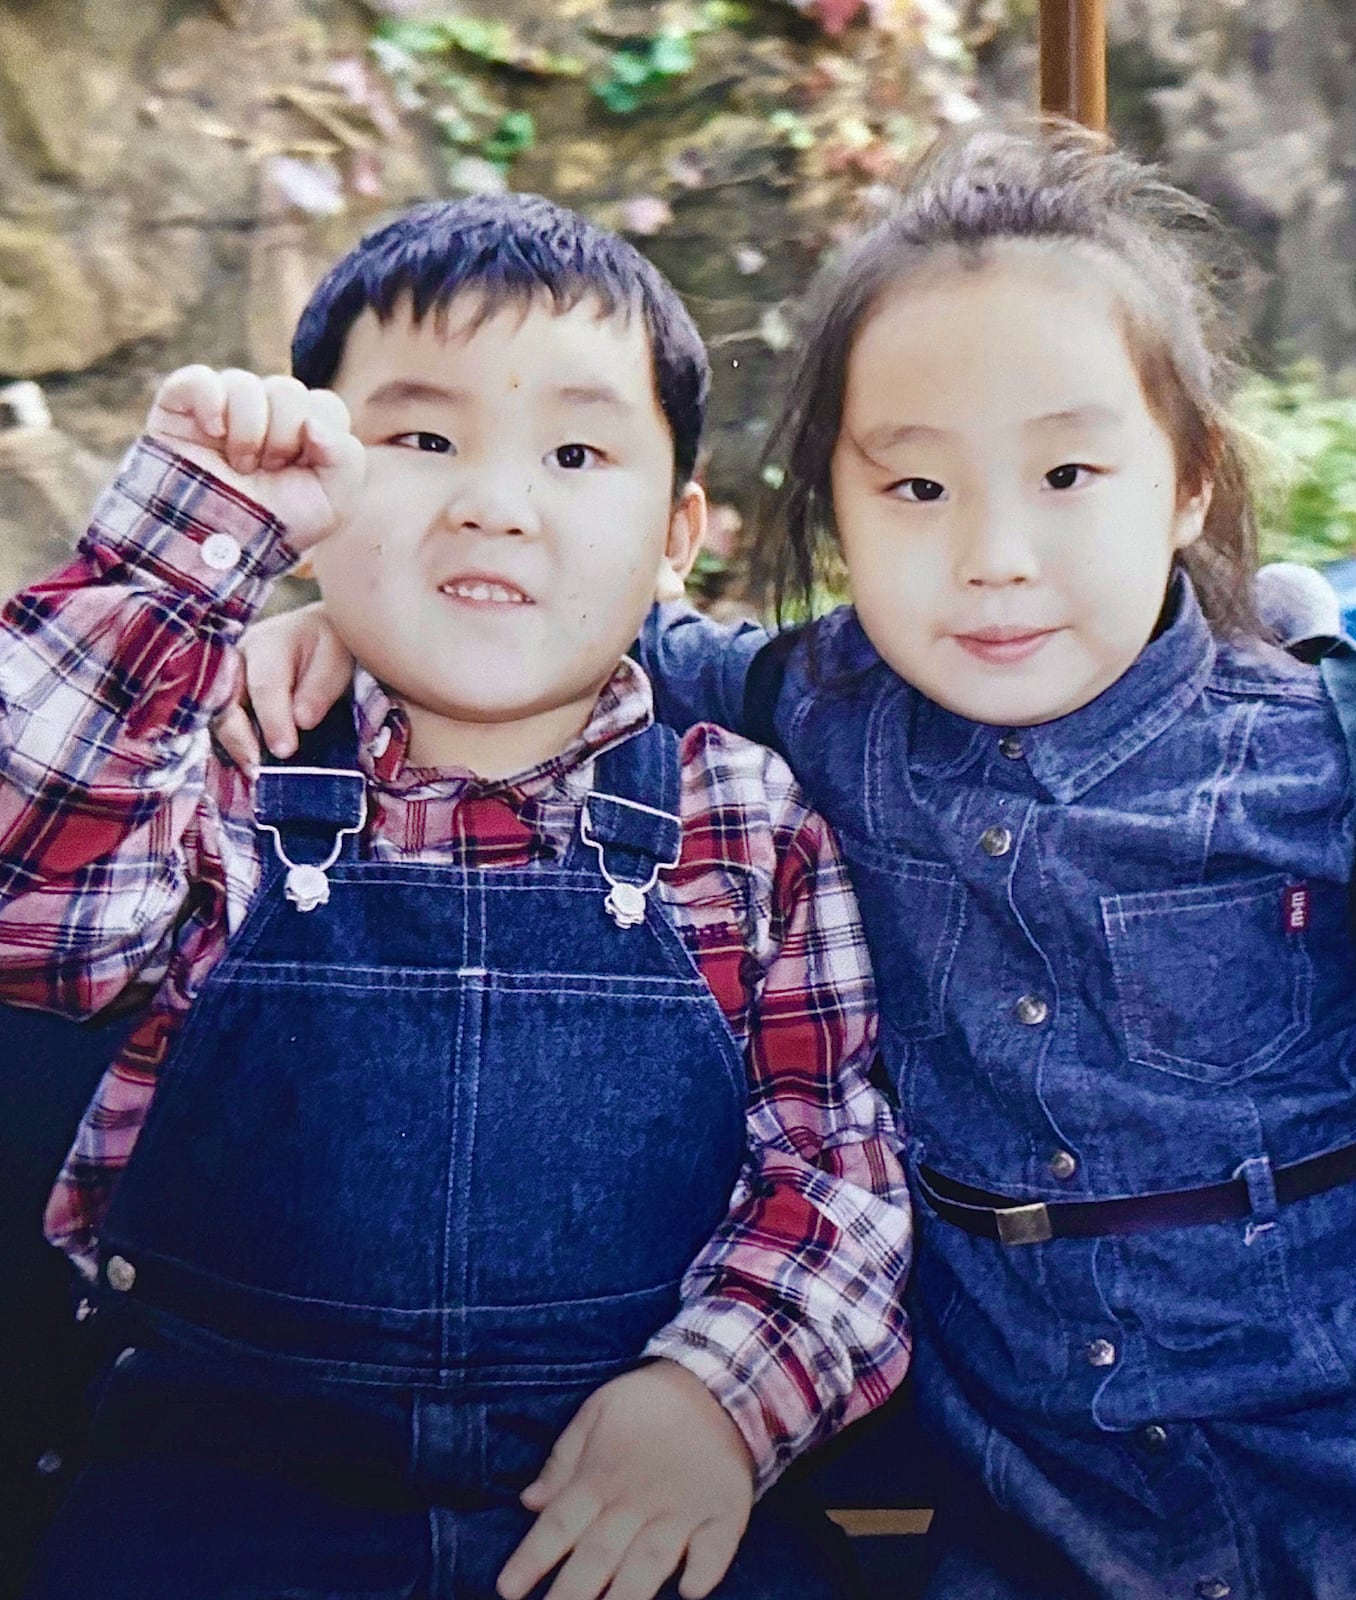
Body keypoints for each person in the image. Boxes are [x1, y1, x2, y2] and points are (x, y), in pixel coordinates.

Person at [221, 124, 1356, 1598]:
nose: (994, 553)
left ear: (1188, 483)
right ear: (834, 508)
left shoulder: (1350, 757)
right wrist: (355, 632)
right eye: (916, 490)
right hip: (1036, 1475)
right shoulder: (810, 708)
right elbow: (578, 614)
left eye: (1069, 472)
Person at [0, 191, 912, 1600]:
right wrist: (190, 547)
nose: (495, 498)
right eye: (421, 440)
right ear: (319, 494)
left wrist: (719, 1401)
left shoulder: (747, 816)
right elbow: (32, 903)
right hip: (216, 1496)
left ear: (680, 533)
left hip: (626, 1502)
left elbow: (836, 1171)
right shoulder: (215, 768)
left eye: (575, 450)